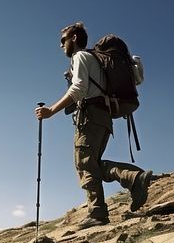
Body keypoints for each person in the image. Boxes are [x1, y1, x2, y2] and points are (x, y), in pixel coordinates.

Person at [35, 21, 153, 229]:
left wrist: (51, 111)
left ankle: (97, 213)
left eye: (63, 40)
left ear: (74, 38)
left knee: (84, 163)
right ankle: (133, 178)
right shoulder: (96, 61)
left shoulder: (80, 56)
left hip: (90, 116)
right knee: (92, 164)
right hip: (104, 117)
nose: (61, 45)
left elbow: (79, 88)